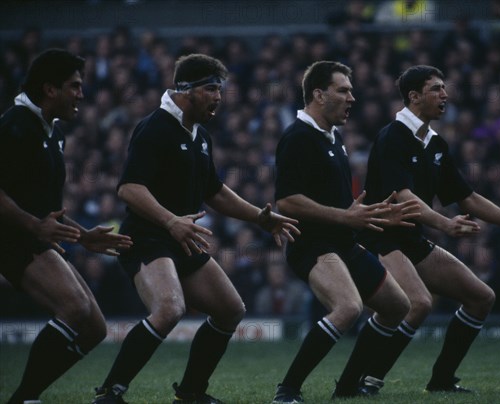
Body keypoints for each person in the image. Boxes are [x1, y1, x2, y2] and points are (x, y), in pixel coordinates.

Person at [91, 53, 299, 404]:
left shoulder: (200, 135)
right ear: (185, 91)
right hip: (147, 239)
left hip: (183, 240)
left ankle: (190, 393)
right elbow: (129, 188)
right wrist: (171, 220)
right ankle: (109, 393)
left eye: (220, 89)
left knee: (231, 309)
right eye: (211, 88)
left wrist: (259, 218)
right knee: (170, 309)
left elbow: (213, 191)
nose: (219, 97)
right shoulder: (154, 127)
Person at [356, 65, 500, 393]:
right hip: (382, 236)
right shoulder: (392, 136)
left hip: (411, 237)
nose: (445, 95)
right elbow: (404, 198)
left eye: (444, 88)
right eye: (437, 89)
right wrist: (445, 224)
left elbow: (467, 197)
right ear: (414, 96)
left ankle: (441, 381)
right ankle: (369, 381)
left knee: (481, 297)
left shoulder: (436, 144)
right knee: (418, 303)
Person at [271, 60, 420, 403]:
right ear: (319, 95)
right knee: (348, 307)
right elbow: (288, 202)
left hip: (343, 241)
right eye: (344, 90)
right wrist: (345, 217)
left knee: (398, 306)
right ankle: (287, 390)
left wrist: (373, 216)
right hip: (312, 245)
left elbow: (339, 205)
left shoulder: (333, 136)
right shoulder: (298, 137)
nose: (352, 97)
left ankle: (347, 387)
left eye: (351, 90)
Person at [0, 48, 133, 404]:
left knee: (94, 329)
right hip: (10, 239)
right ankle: (24, 398)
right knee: (74, 309)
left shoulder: (52, 131)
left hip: (33, 236)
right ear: (49, 89)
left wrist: (84, 236)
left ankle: (26, 396)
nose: (81, 94)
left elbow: (50, 211)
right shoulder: (15, 126)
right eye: (74, 86)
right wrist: (32, 225)